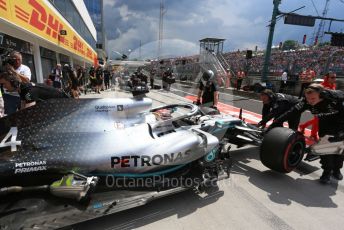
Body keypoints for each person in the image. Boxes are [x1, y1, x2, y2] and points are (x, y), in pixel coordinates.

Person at [270, 84, 344, 184]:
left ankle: (336, 170)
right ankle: (326, 172)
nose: (310, 101)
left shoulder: (337, 98)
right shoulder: (307, 101)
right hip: (325, 127)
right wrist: (276, 121)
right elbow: (292, 111)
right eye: (308, 98)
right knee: (325, 150)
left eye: (313, 98)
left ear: (321, 95)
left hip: (340, 125)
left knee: (339, 149)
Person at [0, 71, 68, 109]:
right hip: (56, 105)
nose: (3, 87)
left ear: (13, 82)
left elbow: (28, 113)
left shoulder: (28, 91)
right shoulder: (22, 89)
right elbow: (22, 110)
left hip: (65, 102)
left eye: (4, 84)